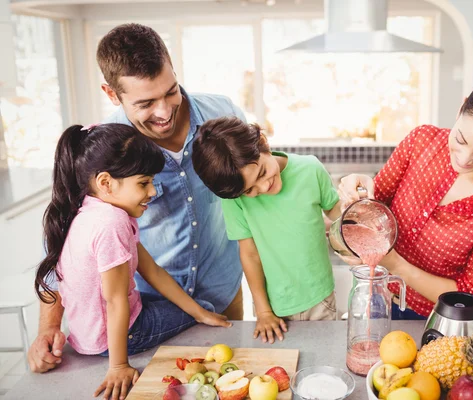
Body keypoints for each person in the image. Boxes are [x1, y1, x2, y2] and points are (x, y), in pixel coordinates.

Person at [27, 23, 245, 373]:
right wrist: (49, 327)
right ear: (112, 94)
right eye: (145, 103)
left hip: (223, 292)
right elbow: (60, 244)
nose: (164, 112)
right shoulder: (103, 152)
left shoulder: (223, 114)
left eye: (171, 91)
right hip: (144, 316)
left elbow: (257, 177)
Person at [34, 123, 231, 400]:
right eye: (143, 183)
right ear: (105, 183)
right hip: (118, 337)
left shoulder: (91, 209)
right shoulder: (110, 223)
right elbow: (115, 302)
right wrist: (118, 366)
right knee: (209, 305)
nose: (152, 191)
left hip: (86, 333)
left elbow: (150, 269)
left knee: (199, 308)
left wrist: (197, 312)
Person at [338, 75, 473, 319]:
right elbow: (375, 210)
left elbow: (471, 295)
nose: (463, 159)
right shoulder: (421, 142)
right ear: (461, 108)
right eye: (461, 139)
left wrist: (396, 265)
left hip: (434, 321)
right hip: (374, 295)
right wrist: (359, 193)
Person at [192, 116, 342, 343]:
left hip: (320, 298)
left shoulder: (310, 169)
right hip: (274, 306)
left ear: (263, 142)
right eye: (249, 190)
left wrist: (354, 209)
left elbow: (336, 211)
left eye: (261, 173)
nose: (263, 187)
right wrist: (263, 312)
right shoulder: (234, 199)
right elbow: (250, 254)